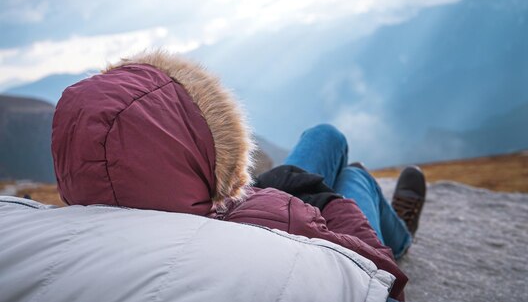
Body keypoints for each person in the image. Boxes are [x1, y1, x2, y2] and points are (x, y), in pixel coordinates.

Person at [51, 50, 426, 301]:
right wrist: (329, 201)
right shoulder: (272, 222)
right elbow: (381, 277)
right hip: (264, 212)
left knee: (324, 136)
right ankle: (401, 232)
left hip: (217, 205)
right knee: (355, 179)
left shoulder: (59, 236)